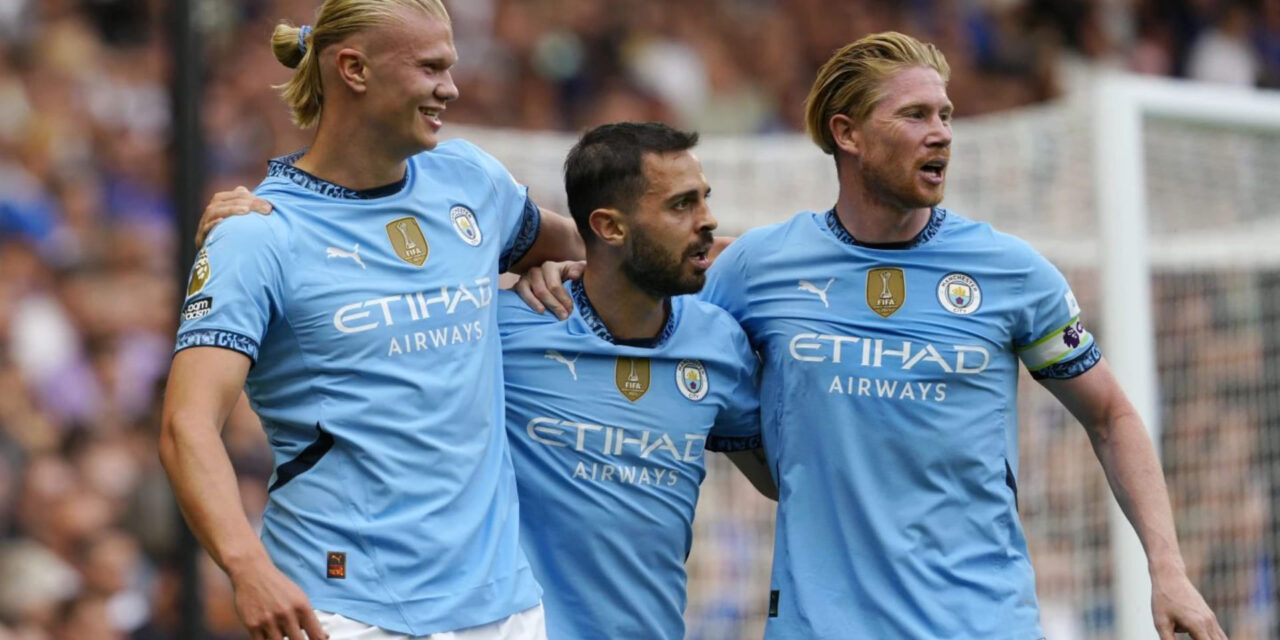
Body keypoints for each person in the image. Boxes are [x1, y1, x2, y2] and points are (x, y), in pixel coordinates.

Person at [520, 32, 1225, 640]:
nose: (942, 131)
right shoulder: (760, 269)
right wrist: (563, 268)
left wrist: (1170, 572)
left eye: (945, 114)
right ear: (846, 133)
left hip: (979, 622)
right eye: (915, 114)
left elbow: (1112, 416)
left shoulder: (1012, 272)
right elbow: (645, 286)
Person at [159, 2, 582, 639]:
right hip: (345, 610)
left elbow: (585, 250)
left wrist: (565, 268)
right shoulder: (255, 235)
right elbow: (186, 425)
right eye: (431, 67)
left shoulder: (470, 180)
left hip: (505, 611)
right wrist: (247, 566)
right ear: (354, 69)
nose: (451, 87)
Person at [496, 122, 773, 639]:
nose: (708, 220)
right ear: (610, 227)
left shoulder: (720, 341)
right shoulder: (508, 328)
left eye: (704, 200)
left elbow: (783, 481)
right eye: (681, 205)